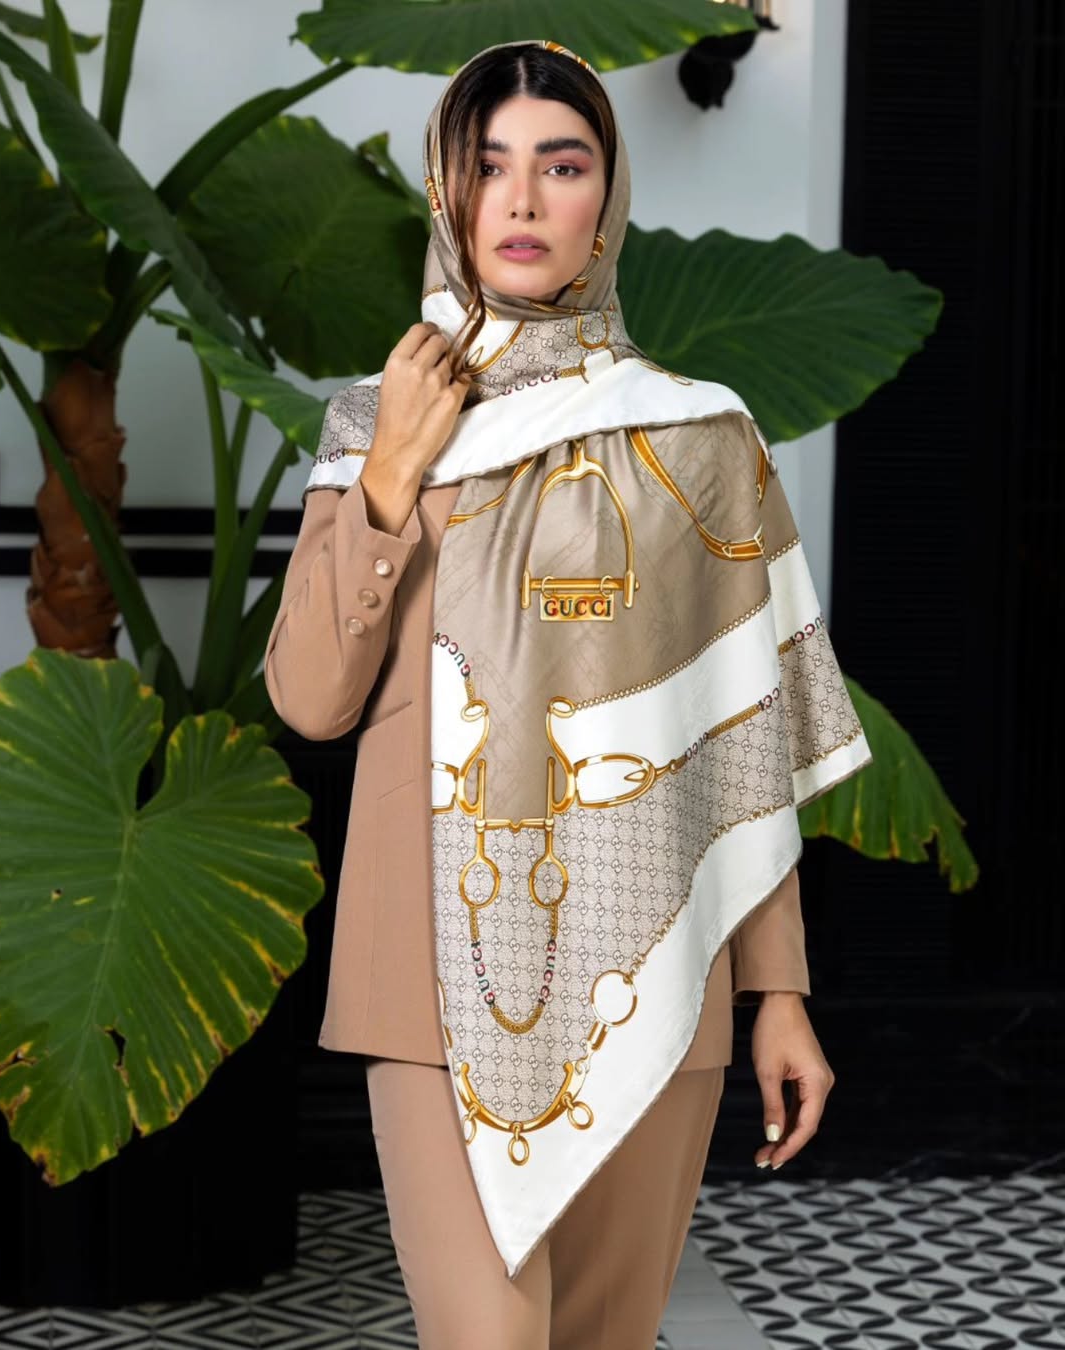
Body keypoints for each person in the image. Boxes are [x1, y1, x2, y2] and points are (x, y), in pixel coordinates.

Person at [265, 38, 870, 1350]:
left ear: (608, 195)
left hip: (657, 974)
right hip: (430, 981)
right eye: (488, 167)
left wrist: (779, 992)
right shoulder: (374, 424)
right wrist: (393, 479)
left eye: (563, 164)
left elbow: (744, 738)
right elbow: (311, 699)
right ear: (449, 192)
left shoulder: (701, 436)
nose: (524, 200)